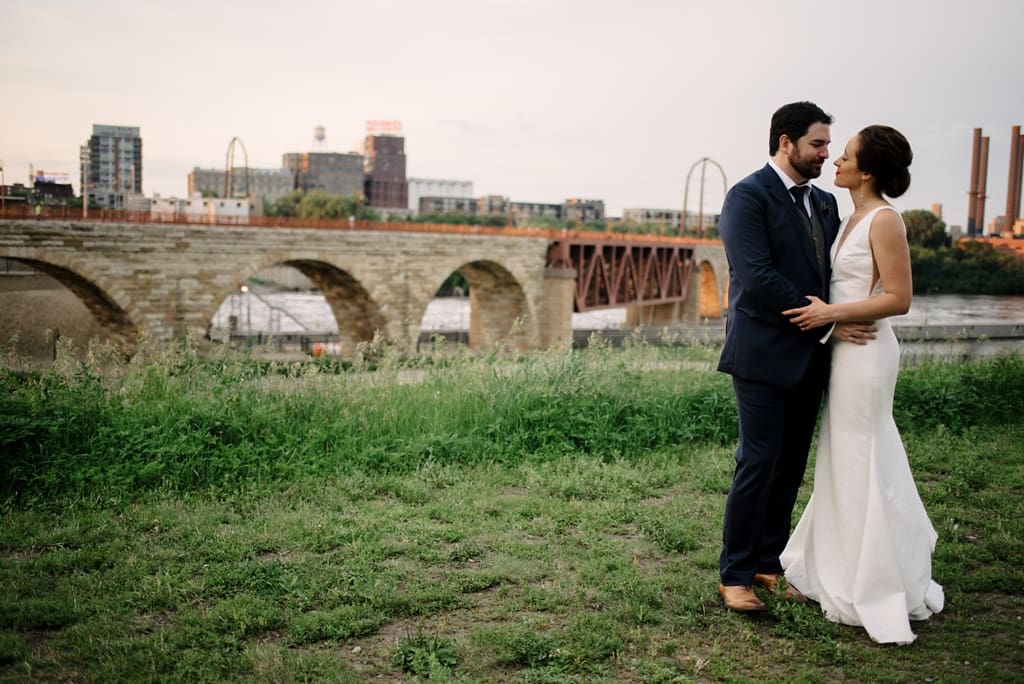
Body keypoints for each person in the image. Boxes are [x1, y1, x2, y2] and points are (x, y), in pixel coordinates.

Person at [780, 125, 944, 644]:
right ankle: (835, 563)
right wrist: (833, 323)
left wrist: (833, 312)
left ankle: (866, 578)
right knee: (843, 454)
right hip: (845, 347)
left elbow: (899, 297)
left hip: (869, 353)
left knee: (862, 453)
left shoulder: (885, 219)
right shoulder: (849, 216)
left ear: (867, 171)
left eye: (845, 155)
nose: (835, 161)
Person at [715, 101, 876, 612]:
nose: (826, 154)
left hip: (811, 355)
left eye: (829, 145)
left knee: (789, 467)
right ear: (786, 141)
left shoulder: (826, 204)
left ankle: (768, 565)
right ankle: (734, 575)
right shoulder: (747, 196)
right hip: (761, 353)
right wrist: (824, 315)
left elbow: (827, 275)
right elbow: (756, 274)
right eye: (817, 144)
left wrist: (834, 317)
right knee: (758, 462)